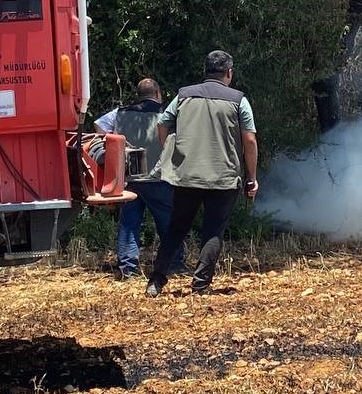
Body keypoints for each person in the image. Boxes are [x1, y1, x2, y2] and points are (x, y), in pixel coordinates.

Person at [145, 50, 258, 297]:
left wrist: (170, 151)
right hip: (224, 177)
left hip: (187, 175)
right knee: (213, 230)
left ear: (205, 71)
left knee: (177, 227)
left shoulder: (184, 96)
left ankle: (156, 281)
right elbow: (249, 140)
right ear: (229, 73)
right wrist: (251, 178)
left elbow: (163, 123)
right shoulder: (239, 100)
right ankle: (200, 285)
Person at [94, 78, 184, 280]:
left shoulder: (121, 113)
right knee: (168, 224)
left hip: (130, 179)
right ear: (158, 93)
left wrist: (113, 149)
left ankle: (128, 270)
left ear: (138, 94)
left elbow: (99, 126)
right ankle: (175, 264)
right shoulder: (165, 114)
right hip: (160, 179)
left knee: (129, 225)